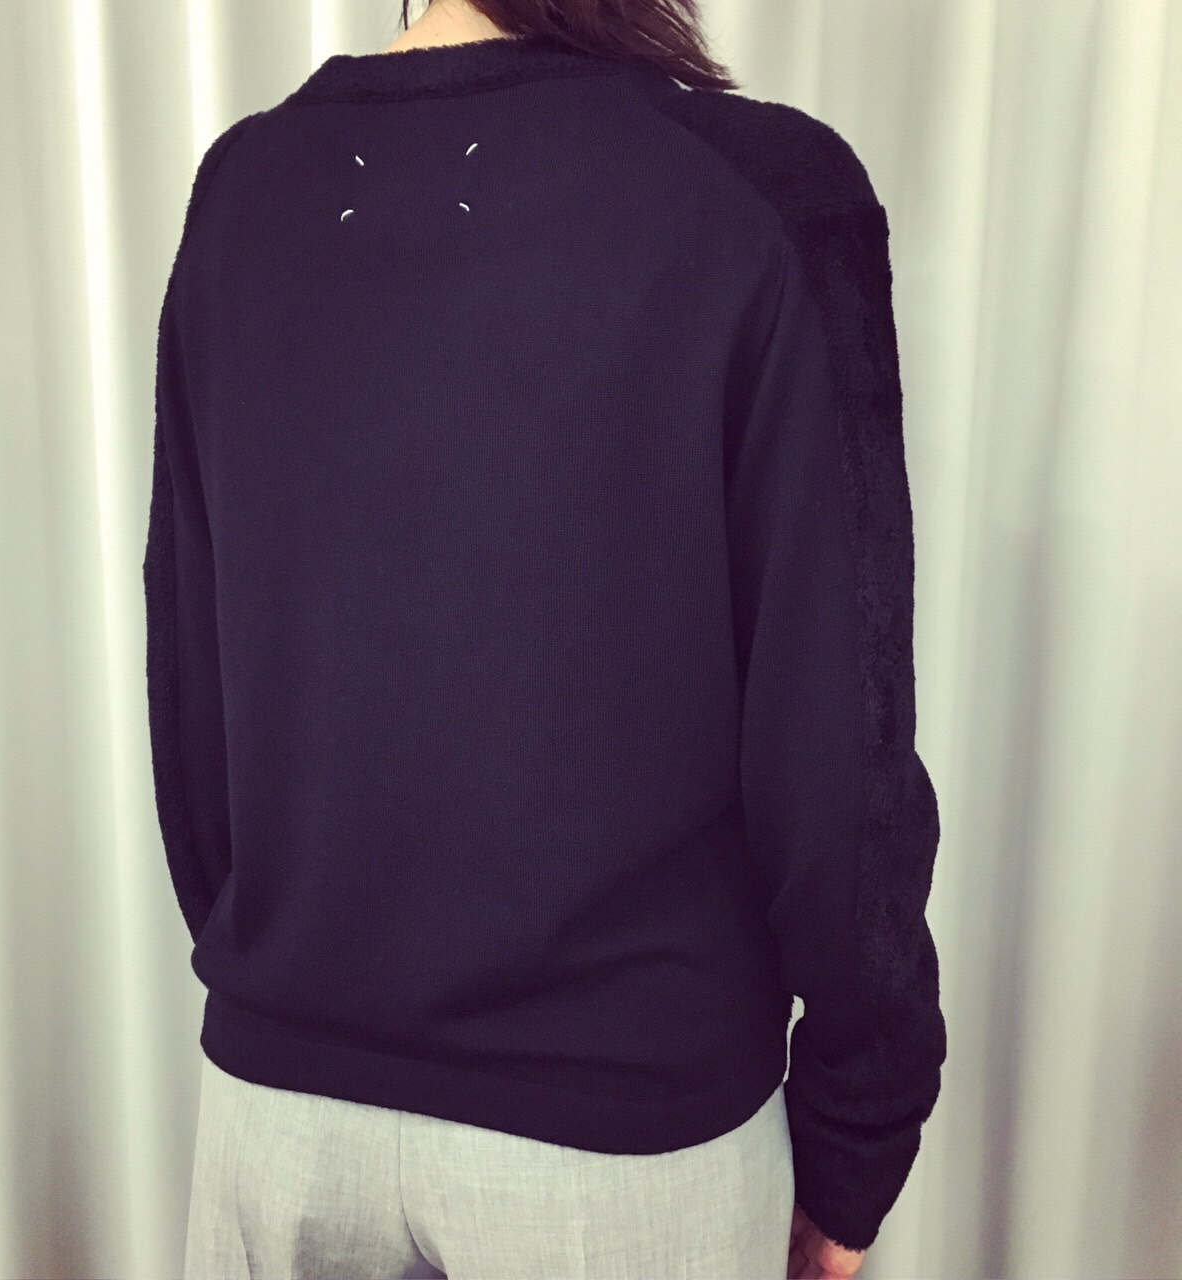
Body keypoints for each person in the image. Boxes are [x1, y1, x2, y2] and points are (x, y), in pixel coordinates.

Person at [141, 1, 947, 1276]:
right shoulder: (757, 189)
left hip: (279, 1115)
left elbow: (191, 675)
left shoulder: (243, 189)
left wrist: (295, 970)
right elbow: (838, 736)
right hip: (613, 1144)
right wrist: (858, 1125)